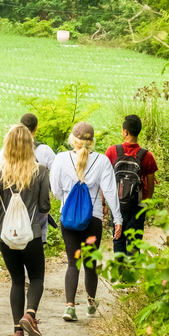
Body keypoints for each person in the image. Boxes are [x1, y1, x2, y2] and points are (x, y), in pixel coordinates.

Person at [0, 125, 51, 336]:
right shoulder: (40, 171)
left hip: (5, 235)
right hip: (30, 234)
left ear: (8, 145)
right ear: (30, 145)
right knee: (37, 277)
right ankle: (29, 315)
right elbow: (43, 207)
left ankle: (17, 333)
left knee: (16, 280)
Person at [50, 122, 122, 322]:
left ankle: (69, 307)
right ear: (92, 141)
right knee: (90, 262)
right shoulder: (102, 161)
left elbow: (55, 190)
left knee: (73, 263)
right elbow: (110, 191)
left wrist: (67, 198)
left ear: (73, 139)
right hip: (93, 219)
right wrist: (118, 219)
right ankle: (91, 303)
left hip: (69, 218)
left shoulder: (60, 159)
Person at [104, 115, 158, 256]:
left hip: (117, 204)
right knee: (134, 243)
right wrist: (147, 204)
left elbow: (105, 180)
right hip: (137, 206)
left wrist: (103, 203)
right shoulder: (147, 156)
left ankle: (120, 274)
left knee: (118, 239)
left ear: (125, 132)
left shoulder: (112, 151)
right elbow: (151, 185)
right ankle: (132, 275)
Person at [0, 113, 55, 241]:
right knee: (35, 241)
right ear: (36, 127)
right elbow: (56, 175)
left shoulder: (5, 150)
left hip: (11, 204)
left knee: (14, 240)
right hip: (36, 207)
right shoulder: (45, 150)